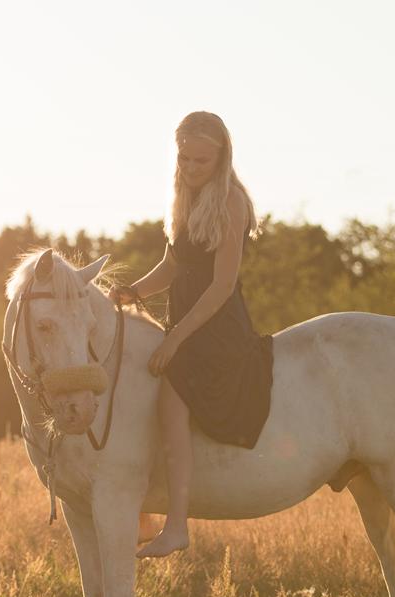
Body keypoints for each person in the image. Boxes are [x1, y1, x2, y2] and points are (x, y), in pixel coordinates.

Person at [110, 111, 274, 558]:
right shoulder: (185, 197)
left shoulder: (231, 202)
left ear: (222, 158)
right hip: (186, 321)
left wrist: (174, 339)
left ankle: (176, 524)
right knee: (139, 390)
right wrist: (130, 292)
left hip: (216, 327)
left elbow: (221, 285)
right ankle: (142, 509)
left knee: (169, 397)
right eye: (184, 159)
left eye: (202, 161)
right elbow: (172, 267)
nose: (191, 168)